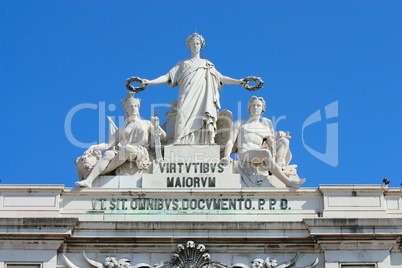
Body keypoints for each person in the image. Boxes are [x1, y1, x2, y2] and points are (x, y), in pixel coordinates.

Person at [141, 33, 247, 144]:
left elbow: (221, 78)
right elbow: (167, 76)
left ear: (201, 46)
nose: (196, 46)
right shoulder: (182, 64)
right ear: (189, 46)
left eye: (198, 44)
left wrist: (238, 81)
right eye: (193, 44)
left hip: (203, 96)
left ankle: (206, 142)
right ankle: (179, 141)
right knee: (182, 115)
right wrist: (149, 82)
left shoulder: (207, 64)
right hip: (186, 94)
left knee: (203, 116)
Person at [75, 92, 166, 188]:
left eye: (136, 106)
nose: (134, 108)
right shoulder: (122, 129)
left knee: (126, 148)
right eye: (131, 106)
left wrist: (156, 126)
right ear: (126, 109)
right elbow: (108, 145)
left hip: (139, 151)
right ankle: (89, 180)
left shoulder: (146, 123)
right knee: (108, 154)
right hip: (124, 151)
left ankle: (102, 172)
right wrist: (94, 146)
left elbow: (164, 136)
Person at [222, 96, 305, 188]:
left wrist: (278, 136)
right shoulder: (239, 123)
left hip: (259, 154)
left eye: (258, 106)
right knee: (265, 153)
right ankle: (287, 181)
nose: (255, 108)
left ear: (262, 109)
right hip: (244, 154)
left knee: (284, 141)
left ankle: (278, 167)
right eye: (253, 105)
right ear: (249, 108)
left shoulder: (265, 128)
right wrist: (226, 156)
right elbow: (230, 141)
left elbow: (272, 145)